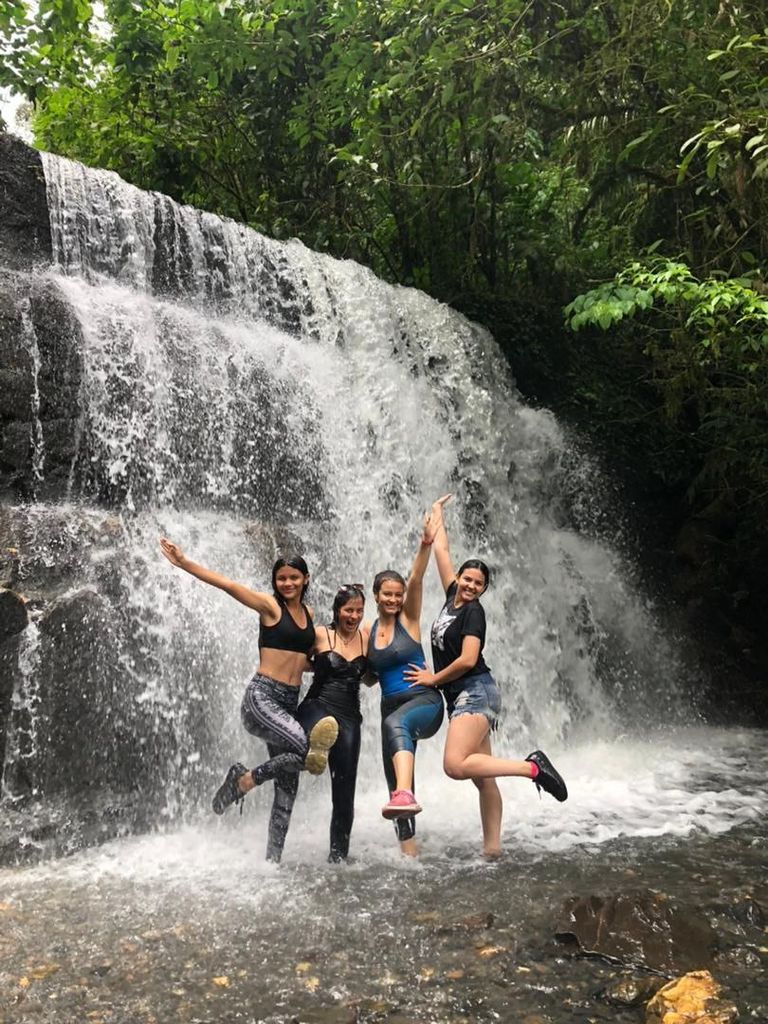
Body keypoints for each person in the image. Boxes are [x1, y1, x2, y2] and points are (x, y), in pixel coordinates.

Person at [404, 496, 567, 858]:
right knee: (483, 779)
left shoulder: (473, 614)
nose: (471, 585)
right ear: (460, 578)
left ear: (484, 589)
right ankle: (492, 851)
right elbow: (442, 551)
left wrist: (433, 679)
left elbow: (467, 659)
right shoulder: (451, 597)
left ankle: (532, 768)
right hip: (469, 695)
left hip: (475, 692)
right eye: (467, 578)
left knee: (454, 765)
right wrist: (438, 515)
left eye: (479, 583)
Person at [159, 539, 338, 862]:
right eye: (282, 578)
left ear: (306, 579)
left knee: (288, 788)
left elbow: (301, 659)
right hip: (262, 698)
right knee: (302, 747)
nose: (287, 583)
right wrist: (185, 563)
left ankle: (273, 863)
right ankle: (245, 779)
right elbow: (229, 585)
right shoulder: (270, 607)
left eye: (294, 578)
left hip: (288, 703)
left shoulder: (309, 613)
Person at [367, 518, 445, 857]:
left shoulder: (408, 619)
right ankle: (409, 853)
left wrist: (425, 546)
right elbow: (368, 675)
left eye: (397, 595)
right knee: (396, 780)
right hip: (391, 708)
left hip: (423, 702)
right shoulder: (367, 632)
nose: (394, 600)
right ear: (376, 595)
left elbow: (416, 580)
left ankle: (404, 796)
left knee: (395, 726)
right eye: (388, 594)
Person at [297, 584, 369, 863]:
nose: (354, 616)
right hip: (318, 704)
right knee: (323, 724)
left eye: (359, 610)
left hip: (350, 717)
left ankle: (338, 856)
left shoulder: (366, 637)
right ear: (337, 610)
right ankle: (316, 744)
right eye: (348, 610)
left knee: (345, 790)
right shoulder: (319, 634)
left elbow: (373, 675)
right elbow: (296, 662)